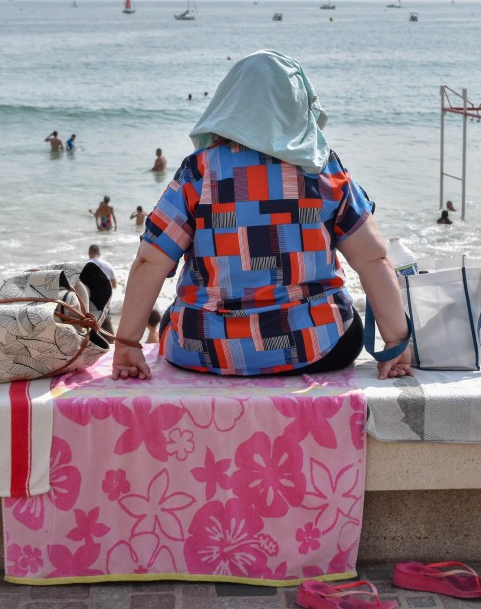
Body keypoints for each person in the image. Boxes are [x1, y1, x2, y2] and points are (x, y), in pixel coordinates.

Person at [111, 50, 413, 382]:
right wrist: (396, 344)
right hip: (317, 347)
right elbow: (373, 259)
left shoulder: (198, 172)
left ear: (228, 104)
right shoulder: (324, 169)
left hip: (205, 348)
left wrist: (127, 343)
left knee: (173, 316)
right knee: (345, 322)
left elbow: (150, 262)